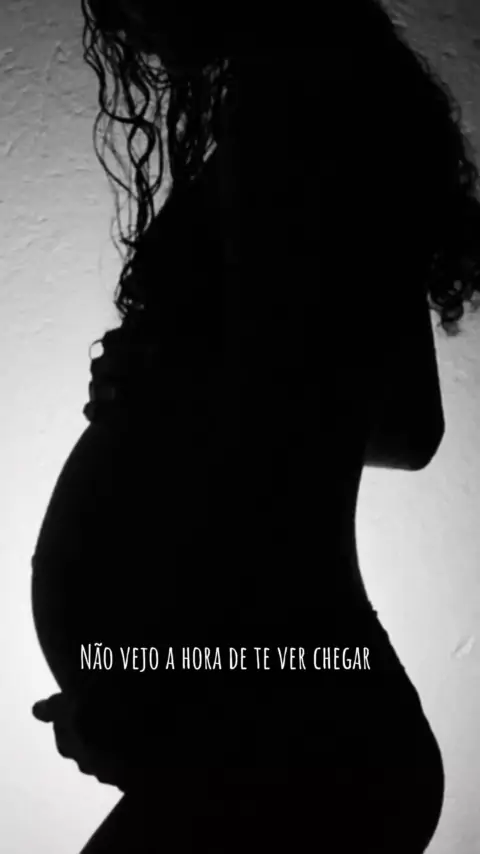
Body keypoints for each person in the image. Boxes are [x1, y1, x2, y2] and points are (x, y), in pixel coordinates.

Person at [30, 1, 480, 851]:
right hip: (289, 709)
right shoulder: (320, 102)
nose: (118, 16)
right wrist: (177, 382)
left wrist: (158, 688)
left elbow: (277, 453)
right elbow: (399, 426)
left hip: (277, 719)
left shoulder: (293, 105)